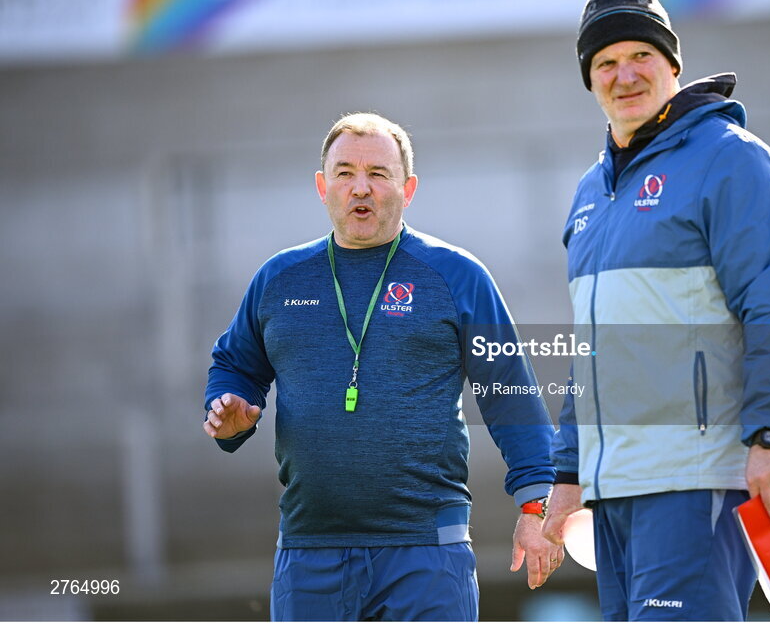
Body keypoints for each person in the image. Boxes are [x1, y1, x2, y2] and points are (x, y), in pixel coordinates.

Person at [204, 112, 562, 621]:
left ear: (408, 188)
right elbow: (234, 367)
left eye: (379, 174)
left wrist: (535, 507)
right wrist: (230, 414)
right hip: (311, 552)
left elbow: (511, 396)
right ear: (322, 186)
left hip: (427, 552)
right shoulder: (280, 279)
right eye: (345, 172)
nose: (360, 188)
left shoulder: (456, 275)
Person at [540, 0, 770, 622]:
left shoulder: (731, 159)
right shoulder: (590, 195)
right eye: (606, 62)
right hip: (611, 496)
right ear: (590, 79)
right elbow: (592, 351)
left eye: (641, 56)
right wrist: (568, 473)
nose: (624, 74)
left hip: (695, 483)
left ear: (672, 65)